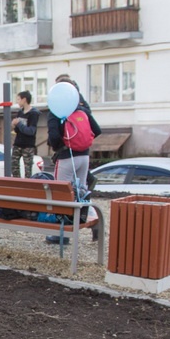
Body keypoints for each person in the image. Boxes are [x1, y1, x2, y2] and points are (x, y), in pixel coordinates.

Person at [46, 79, 101, 245]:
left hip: (66, 158)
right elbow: (97, 130)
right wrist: (80, 143)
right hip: (84, 156)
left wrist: (61, 145)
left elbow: (54, 137)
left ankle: (61, 234)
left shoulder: (56, 110)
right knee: (82, 192)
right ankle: (90, 221)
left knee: (62, 195)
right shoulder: (81, 110)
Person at [10, 90, 40, 179]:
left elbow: (31, 131)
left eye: (18, 99)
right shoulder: (20, 112)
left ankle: (27, 186)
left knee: (28, 169)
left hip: (28, 145)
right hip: (18, 143)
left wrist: (19, 124)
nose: (17, 102)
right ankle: (17, 183)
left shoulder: (33, 113)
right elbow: (17, 130)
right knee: (14, 166)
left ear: (24, 99)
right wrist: (15, 125)